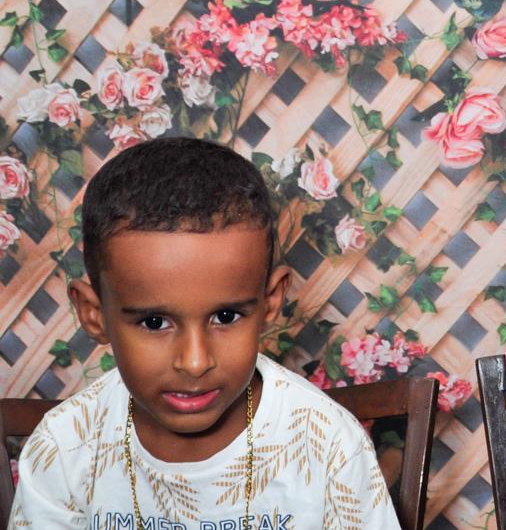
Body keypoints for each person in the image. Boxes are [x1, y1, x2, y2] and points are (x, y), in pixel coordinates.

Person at [8, 137, 402, 529]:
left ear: (270, 302)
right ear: (94, 315)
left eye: (226, 317)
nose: (195, 362)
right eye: (154, 322)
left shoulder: (329, 445)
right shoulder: (63, 449)